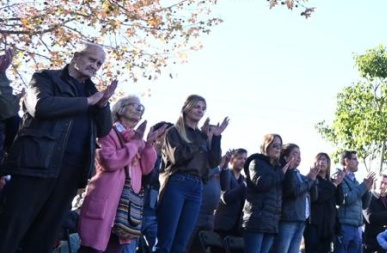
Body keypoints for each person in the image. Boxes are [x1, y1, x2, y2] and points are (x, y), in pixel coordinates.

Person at [0, 42, 116, 253]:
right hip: (36, 166)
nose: (95, 66)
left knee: (44, 237)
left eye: (99, 63)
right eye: (91, 59)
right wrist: (88, 101)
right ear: (76, 56)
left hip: (70, 174)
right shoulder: (46, 78)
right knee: (11, 229)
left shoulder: (93, 92)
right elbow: (40, 106)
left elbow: (104, 130)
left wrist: (103, 105)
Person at [78, 95, 167, 253]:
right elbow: (109, 161)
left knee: (115, 248)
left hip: (125, 209)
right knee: (92, 248)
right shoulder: (107, 132)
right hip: (105, 203)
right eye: (134, 105)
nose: (139, 109)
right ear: (120, 109)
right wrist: (134, 144)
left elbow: (146, 169)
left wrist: (148, 145)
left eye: (141, 107)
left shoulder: (137, 139)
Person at [156, 94, 227, 253]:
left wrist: (216, 138)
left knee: (182, 242)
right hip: (177, 183)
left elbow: (214, 162)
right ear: (186, 108)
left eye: (203, 108)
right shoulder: (174, 132)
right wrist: (201, 138)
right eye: (197, 106)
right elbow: (178, 157)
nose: (200, 110)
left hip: (197, 187)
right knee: (165, 240)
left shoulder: (201, 136)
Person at [243, 134, 294, 253]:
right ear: (266, 146)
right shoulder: (256, 162)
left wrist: (290, 170)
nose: (278, 149)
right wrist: (281, 173)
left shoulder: (278, 168)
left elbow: (288, 191)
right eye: (274, 145)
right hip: (256, 220)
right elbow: (260, 183)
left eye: (280, 146)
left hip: (272, 223)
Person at [275, 143, 318, 253]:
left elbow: (313, 196)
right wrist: (310, 180)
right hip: (288, 219)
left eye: (299, 154)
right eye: (295, 153)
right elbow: (293, 192)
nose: (299, 157)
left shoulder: (299, 174)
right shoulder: (284, 172)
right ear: (285, 157)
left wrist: (313, 179)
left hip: (301, 220)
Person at [336, 150, 375, 253]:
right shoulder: (340, 178)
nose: (358, 162)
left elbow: (364, 205)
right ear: (346, 161)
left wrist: (368, 189)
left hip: (357, 227)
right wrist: (364, 185)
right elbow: (346, 199)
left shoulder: (356, 182)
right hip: (345, 226)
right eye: (355, 159)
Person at [305, 152, 344, 253]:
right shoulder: (312, 179)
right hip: (314, 225)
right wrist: (334, 185)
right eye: (319, 159)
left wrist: (339, 183)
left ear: (328, 163)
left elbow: (339, 201)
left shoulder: (331, 182)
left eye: (324, 160)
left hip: (328, 226)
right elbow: (319, 198)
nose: (321, 162)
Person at [364, 174, 387, 253]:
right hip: (372, 242)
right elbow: (370, 218)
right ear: (375, 182)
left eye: (386, 183)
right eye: (381, 182)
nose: (383, 186)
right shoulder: (369, 196)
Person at [216, 148, 249, 238]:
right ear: (231, 160)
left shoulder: (243, 179)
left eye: (245, 159)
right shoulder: (225, 174)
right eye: (240, 158)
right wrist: (244, 185)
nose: (243, 161)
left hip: (237, 227)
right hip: (223, 226)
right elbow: (226, 198)